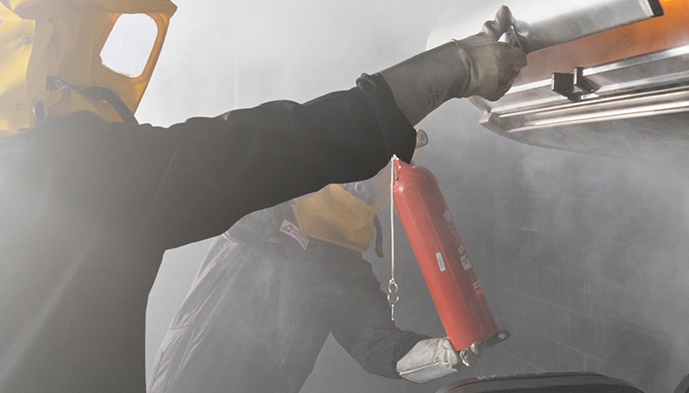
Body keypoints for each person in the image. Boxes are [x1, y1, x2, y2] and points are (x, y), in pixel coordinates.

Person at [0, 0, 525, 392]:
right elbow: (287, 144)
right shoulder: (100, 177)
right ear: (41, 62)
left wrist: (447, 351)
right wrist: (455, 67)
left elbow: (382, 348)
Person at [148, 166, 465, 393]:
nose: (361, 190)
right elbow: (234, 212)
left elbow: (380, 345)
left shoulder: (343, 270)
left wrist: (443, 353)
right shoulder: (266, 209)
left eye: (367, 189)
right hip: (193, 371)